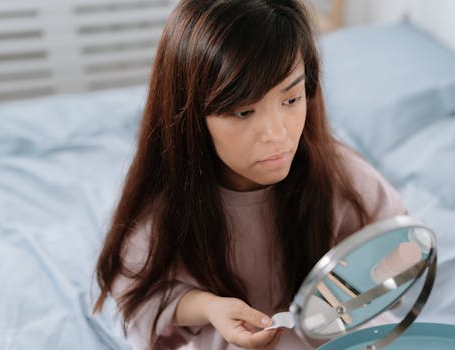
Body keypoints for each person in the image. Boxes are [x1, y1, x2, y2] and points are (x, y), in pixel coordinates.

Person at [92, 0, 407, 349]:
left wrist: (355, 284)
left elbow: (403, 249)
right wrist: (211, 307)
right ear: (193, 118)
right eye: (244, 112)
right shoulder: (167, 203)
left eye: (291, 100)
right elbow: (142, 295)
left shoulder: (338, 175)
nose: (277, 133)